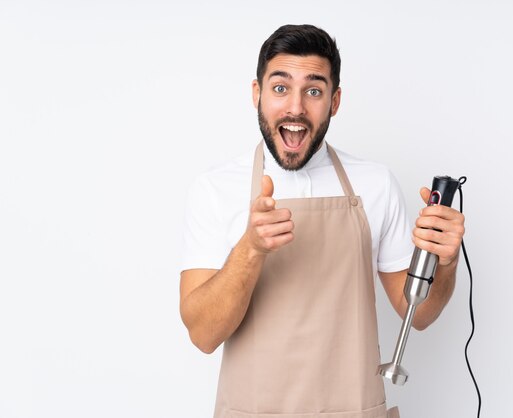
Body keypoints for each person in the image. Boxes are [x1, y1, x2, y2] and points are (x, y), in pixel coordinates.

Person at [179, 24, 465, 418]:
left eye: (313, 90)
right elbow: (203, 335)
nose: (295, 107)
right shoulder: (215, 189)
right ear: (256, 94)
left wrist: (444, 264)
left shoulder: (375, 183)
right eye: (280, 88)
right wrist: (251, 248)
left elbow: (420, 314)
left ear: (335, 100)